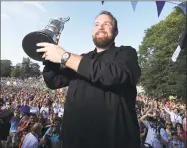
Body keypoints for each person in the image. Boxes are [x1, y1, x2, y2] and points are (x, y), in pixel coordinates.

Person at [38, 11, 141, 148]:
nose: (101, 27)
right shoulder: (82, 59)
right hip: (73, 142)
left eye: (107, 24)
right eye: (97, 24)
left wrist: (64, 56)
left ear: (116, 31)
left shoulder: (126, 53)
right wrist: (51, 55)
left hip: (112, 141)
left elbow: (113, 75)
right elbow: (53, 81)